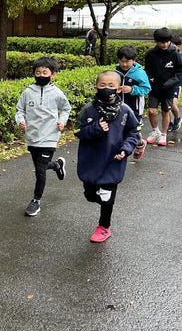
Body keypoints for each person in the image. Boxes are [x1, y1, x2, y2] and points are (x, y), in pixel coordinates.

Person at [75, 71, 140, 243]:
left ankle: (104, 227)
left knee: (107, 198)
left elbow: (133, 132)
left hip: (114, 160)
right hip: (91, 161)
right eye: (103, 85)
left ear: (119, 89)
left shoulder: (125, 111)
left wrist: (126, 149)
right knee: (90, 195)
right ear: (95, 88)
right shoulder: (88, 110)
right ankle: (100, 198)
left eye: (111, 86)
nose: (107, 89)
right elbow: (78, 131)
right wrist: (95, 128)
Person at [15, 57, 71, 217]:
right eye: (38, 72)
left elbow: (66, 108)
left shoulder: (56, 93)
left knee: (40, 170)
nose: (40, 75)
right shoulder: (28, 92)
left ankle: (36, 201)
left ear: (52, 74)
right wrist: (21, 121)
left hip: (50, 136)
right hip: (32, 136)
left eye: (44, 72)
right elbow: (19, 110)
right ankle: (57, 165)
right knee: (42, 166)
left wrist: (62, 121)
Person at [144, 27, 182, 146]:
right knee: (151, 111)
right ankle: (155, 131)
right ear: (156, 41)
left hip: (168, 89)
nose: (165, 44)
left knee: (166, 111)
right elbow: (147, 69)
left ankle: (163, 134)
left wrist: (170, 82)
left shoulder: (174, 54)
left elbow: (180, 71)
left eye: (167, 41)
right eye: (162, 42)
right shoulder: (151, 54)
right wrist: (149, 77)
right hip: (154, 88)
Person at [115, 45, 151, 160]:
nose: (124, 64)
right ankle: (120, 150)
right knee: (120, 128)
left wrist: (132, 89)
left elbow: (146, 88)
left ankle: (140, 143)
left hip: (134, 108)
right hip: (118, 107)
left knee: (133, 130)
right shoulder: (116, 72)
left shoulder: (139, 73)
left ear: (134, 60)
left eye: (127, 61)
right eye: (122, 61)